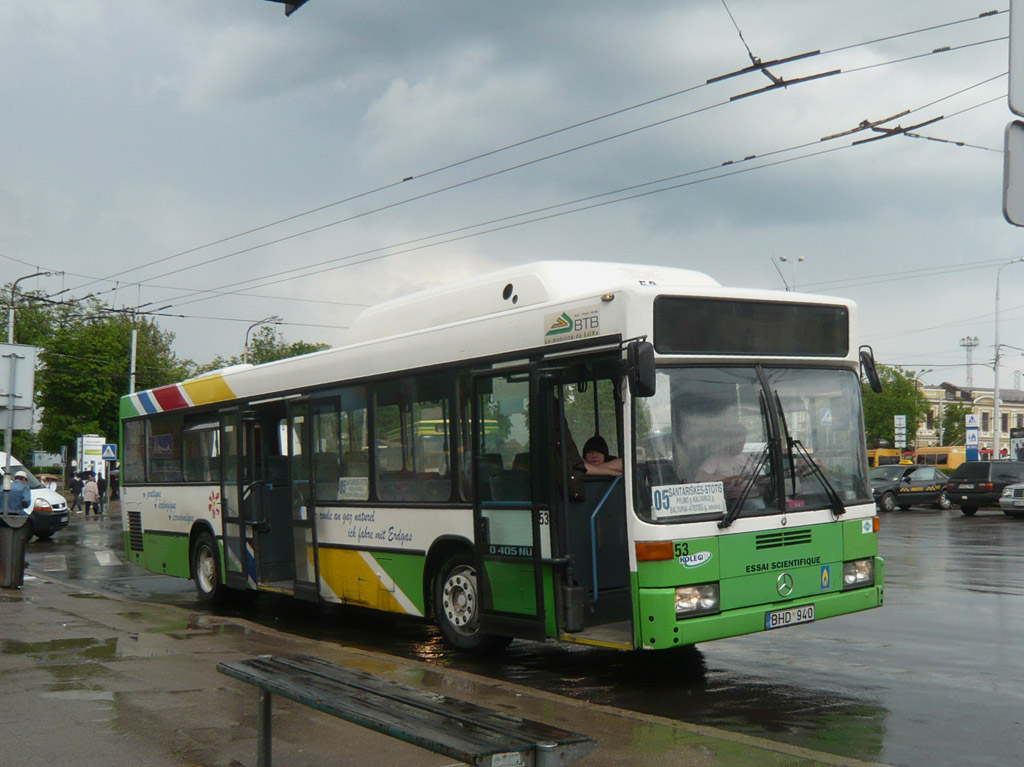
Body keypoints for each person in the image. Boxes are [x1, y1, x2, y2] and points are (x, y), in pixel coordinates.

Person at [696, 422, 752, 497]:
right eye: (738, 443)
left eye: (743, 442)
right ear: (729, 440)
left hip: (750, 496)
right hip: (730, 500)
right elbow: (700, 477)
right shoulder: (716, 458)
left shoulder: (747, 458)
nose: (741, 446)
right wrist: (728, 480)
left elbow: (757, 477)